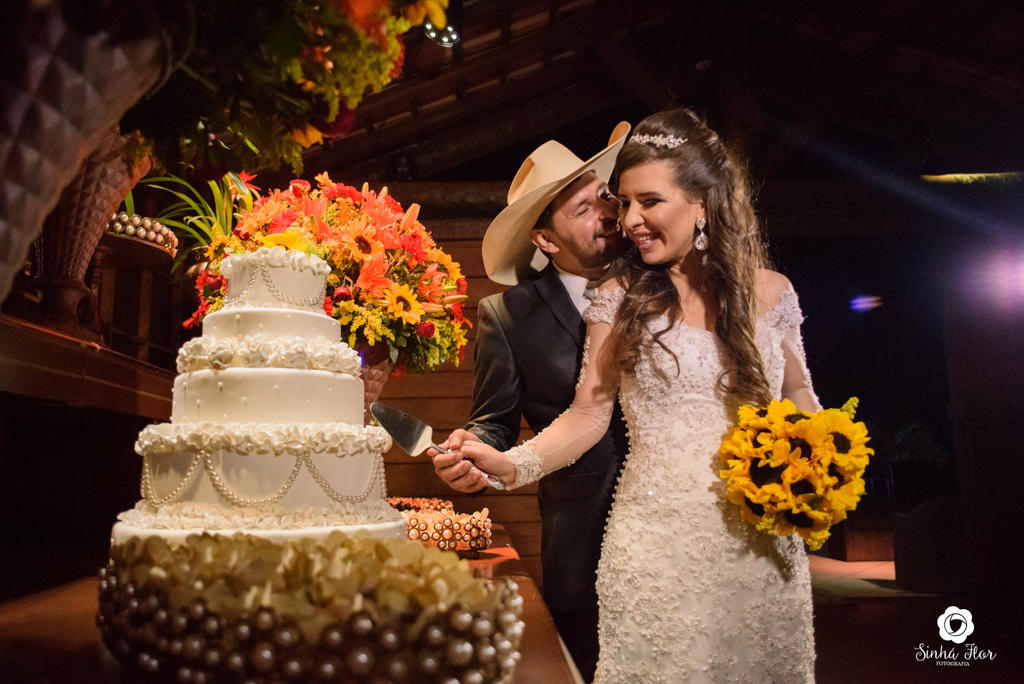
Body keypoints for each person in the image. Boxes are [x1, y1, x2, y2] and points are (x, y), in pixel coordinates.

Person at [448, 109, 819, 683]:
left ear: (702, 203)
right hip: (656, 550)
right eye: (624, 202)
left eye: (647, 201)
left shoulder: (773, 292)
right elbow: (588, 413)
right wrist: (508, 465)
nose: (629, 220)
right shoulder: (621, 295)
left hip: (763, 546)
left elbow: (798, 397)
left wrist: (817, 466)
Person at [430, 123, 633, 682]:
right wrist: (473, 456)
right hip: (578, 528)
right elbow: (493, 423)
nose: (607, 214)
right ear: (545, 239)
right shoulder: (506, 315)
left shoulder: (659, 282)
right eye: (583, 209)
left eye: (605, 197)